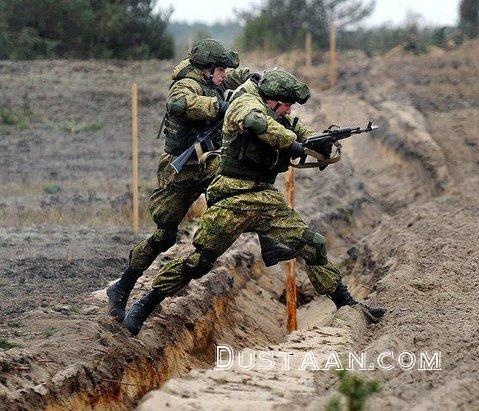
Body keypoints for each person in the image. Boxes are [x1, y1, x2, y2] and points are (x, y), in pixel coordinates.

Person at [122, 69, 386, 335]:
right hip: (233, 194)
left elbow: (296, 129)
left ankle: (347, 303)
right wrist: (292, 143)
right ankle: (144, 305)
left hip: (265, 197)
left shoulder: (278, 114)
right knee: (199, 262)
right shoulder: (246, 104)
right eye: (287, 104)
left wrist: (319, 142)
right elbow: (258, 124)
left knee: (312, 245)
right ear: (272, 100)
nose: (289, 109)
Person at [107, 39, 292, 322]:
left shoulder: (216, 77)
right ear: (207, 70)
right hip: (180, 167)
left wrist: (257, 78)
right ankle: (122, 287)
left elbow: (238, 76)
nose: (223, 75)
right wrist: (219, 106)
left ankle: (269, 243)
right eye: (220, 70)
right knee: (163, 235)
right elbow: (178, 103)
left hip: (209, 161)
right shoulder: (186, 83)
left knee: (243, 186)